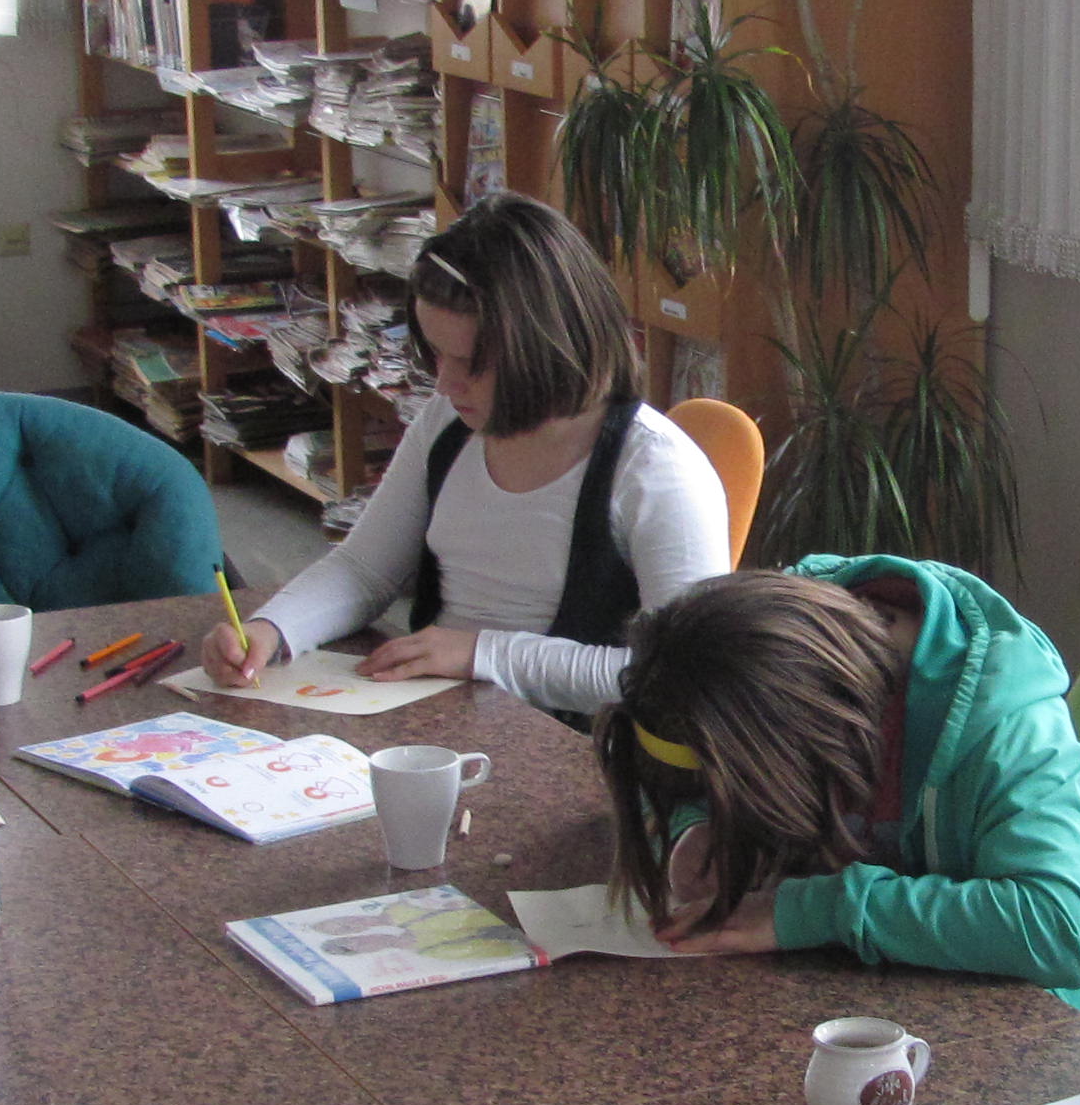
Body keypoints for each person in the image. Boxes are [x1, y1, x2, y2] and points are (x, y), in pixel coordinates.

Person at [201, 193, 730, 716]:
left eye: (472, 363)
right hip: (442, 710)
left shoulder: (655, 469)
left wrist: (483, 654)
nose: (444, 383)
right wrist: (273, 628)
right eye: (435, 353)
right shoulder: (447, 422)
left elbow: (683, 678)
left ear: (547, 347)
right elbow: (365, 568)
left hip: (571, 737)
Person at [591, 560, 1080, 1037]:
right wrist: (690, 832)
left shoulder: (1006, 725)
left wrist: (810, 910)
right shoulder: (754, 652)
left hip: (1033, 1037)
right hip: (865, 993)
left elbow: (1060, 928)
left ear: (810, 745)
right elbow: (668, 778)